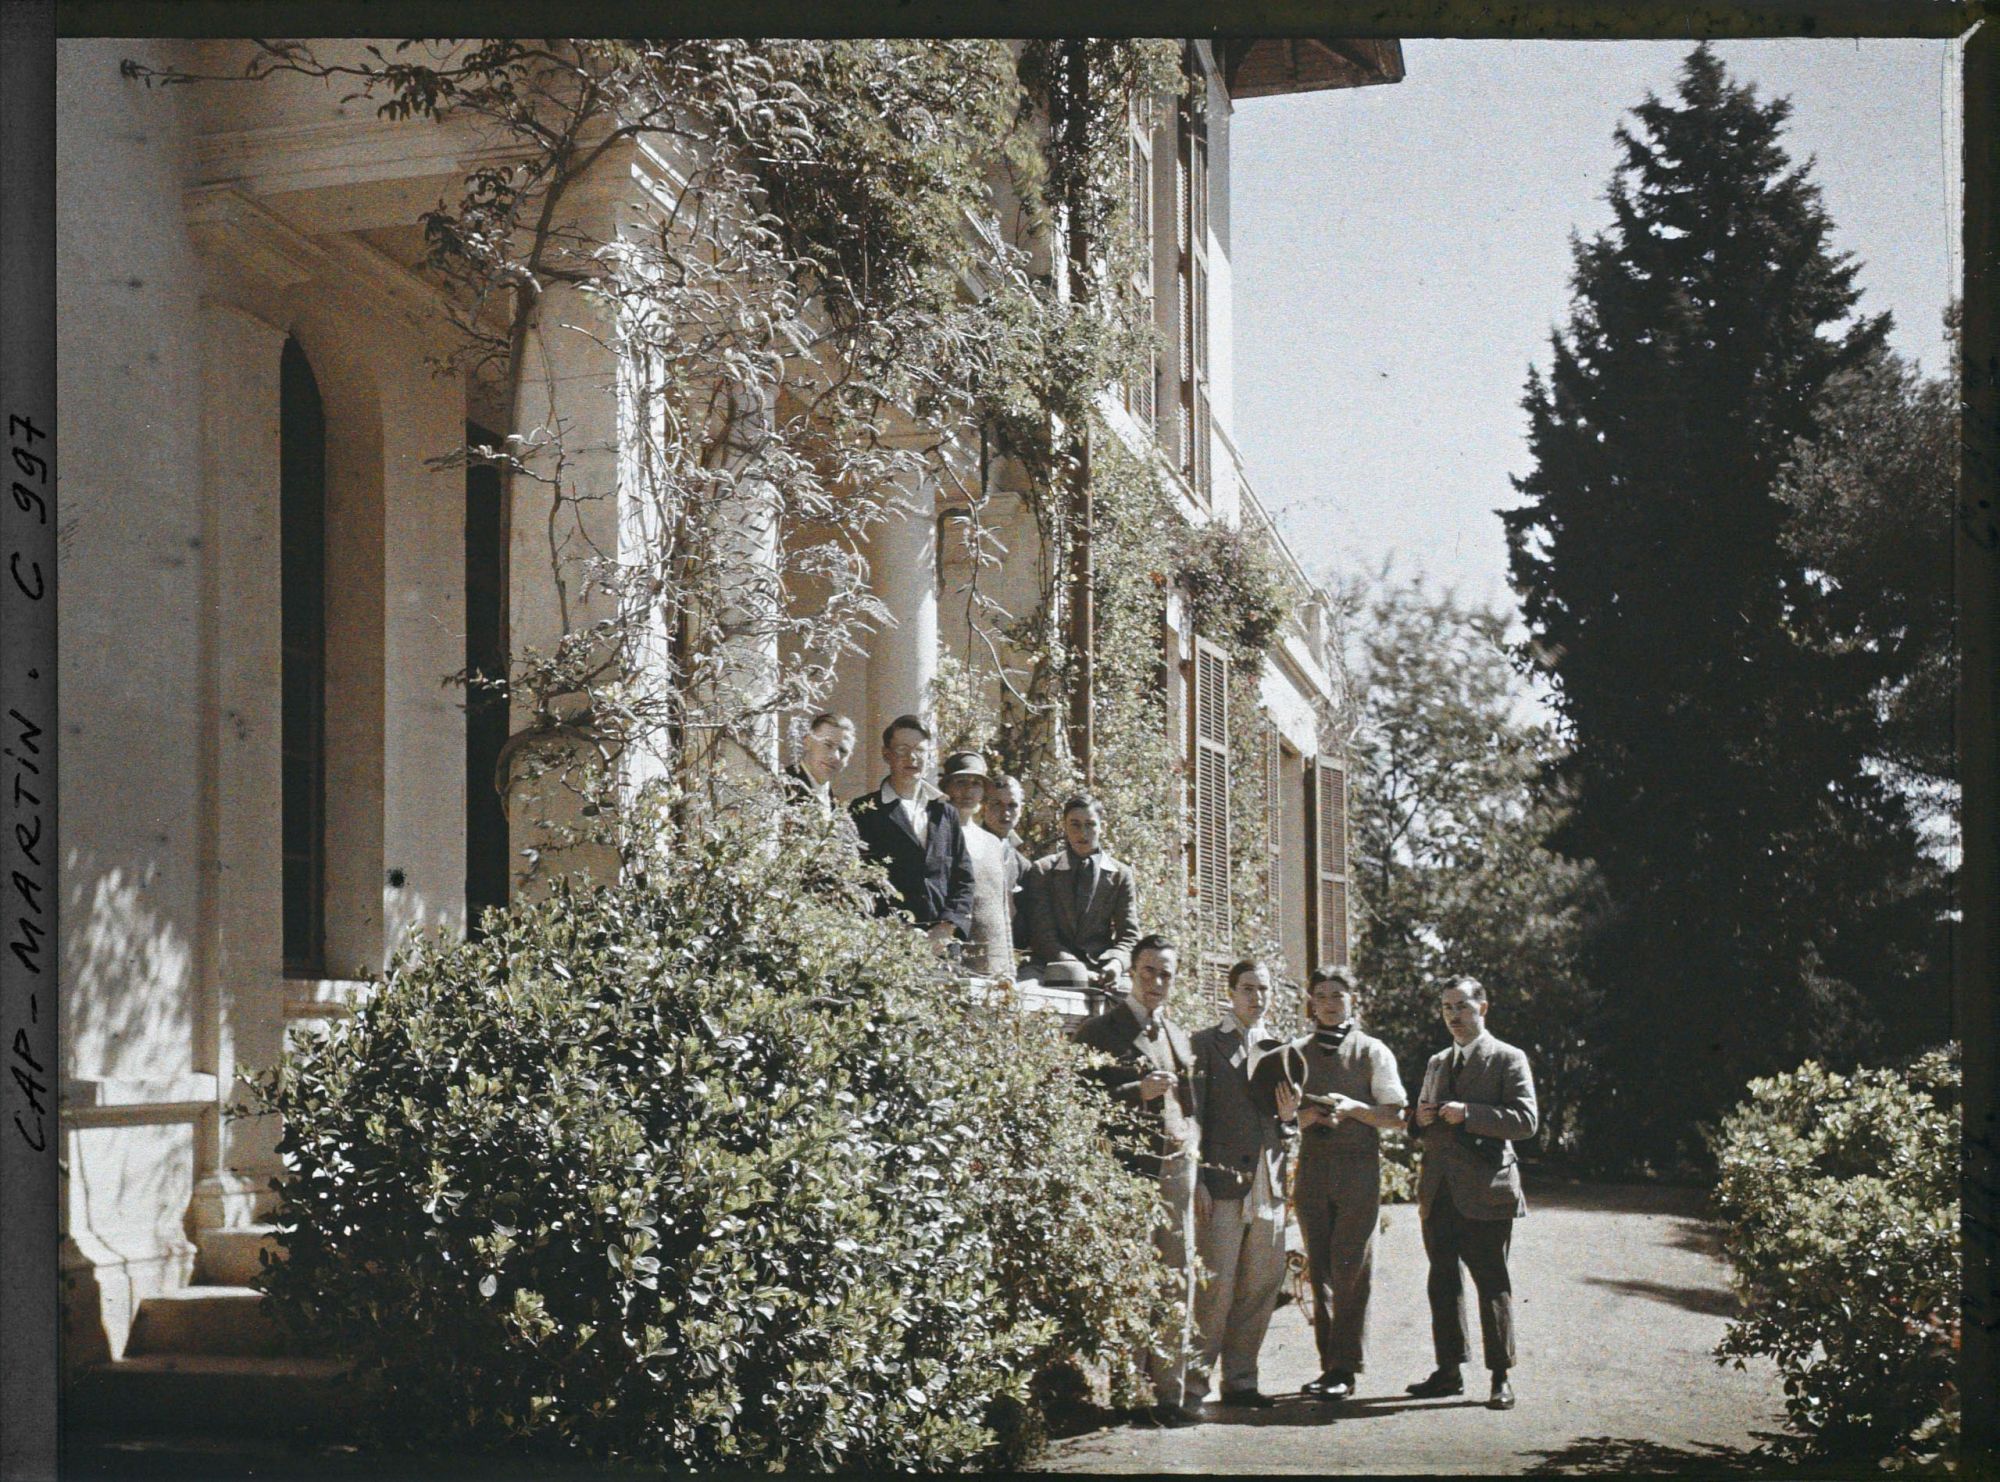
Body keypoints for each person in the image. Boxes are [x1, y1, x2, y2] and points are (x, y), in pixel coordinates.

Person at [1071, 936, 1204, 1427]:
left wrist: (1193, 1142)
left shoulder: (1176, 1032)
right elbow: (1076, 1102)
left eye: (1166, 974)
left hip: (1177, 1171)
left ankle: (1169, 1393)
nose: (1157, 983)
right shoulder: (1101, 1032)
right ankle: (1130, 1393)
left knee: (1177, 1278)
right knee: (1133, 1280)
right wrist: (1136, 1092)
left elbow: (1190, 1103)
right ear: (1131, 972)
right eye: (1148, 972)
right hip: (1127, 1175)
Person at [1406, 976, 1538, 1412]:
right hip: (1439, 1190)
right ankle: (1448, 1371)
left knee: (1491, 1283)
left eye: (1462, 1006)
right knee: (1442, 1283)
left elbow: (1525, 1121)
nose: (1454, 1016)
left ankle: (1501, 1377)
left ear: (1483, 1008)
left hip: (1487, 1190)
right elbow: (1419, 1124)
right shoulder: (1437, 1062)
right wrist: (1419, 1119)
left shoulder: (1507, 1058)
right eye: (1447, 1008)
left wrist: (1470, 1114)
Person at [1290, 965, 1408, 1400]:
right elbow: (1280, 1117)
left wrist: (1354, 1109)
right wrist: (1308, 1116)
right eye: (1321, 995)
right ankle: (1329, 1366)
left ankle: (1346, 1366)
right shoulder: (1296, 1053)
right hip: (1313, 1170)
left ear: (1352, 1000)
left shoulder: (1373, 1052)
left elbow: (1395, 1116)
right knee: (1318, 1269)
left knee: (1351, 1269)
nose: (1329, 1003)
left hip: (1357, 1171)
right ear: (1311, 1002)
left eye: (1338, 995)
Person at [1187, 959, 1299, 1409]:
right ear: (1231, 993)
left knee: (1260, 1287)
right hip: (1221, 1186)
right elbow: (1193, 1116)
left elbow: (1284, 1128)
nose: (1257, 997)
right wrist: (1196, 1180)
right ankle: (1192, 1387)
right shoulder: (1205, 1044)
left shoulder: (1281, 1050)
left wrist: (1290, 1120)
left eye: (1265, 989)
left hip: (1266, 1186)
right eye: (1249, 989)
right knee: (1214, 1289)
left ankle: (1241, 1381)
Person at [847, 715, 973, 946]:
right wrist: (892, 931)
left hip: (942, 946)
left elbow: (963, 879)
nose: (911, 757)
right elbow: (857, 881)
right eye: (902, 749)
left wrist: (947, 926)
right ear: (887, 754)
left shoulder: (945, 812)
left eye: (920, 750)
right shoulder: (864, 811)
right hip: (887, 944)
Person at [1019, 794, 1140, 999]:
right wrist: (1073, 968)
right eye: (1074, 824)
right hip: (1051, 965)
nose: (1082, 833)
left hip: (1102, 969)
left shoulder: (1120, 875)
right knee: (1024, 994)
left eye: (1090, 824)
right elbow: (1043, 934)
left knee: (1134, 1003)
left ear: (1102, 827)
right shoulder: (1044, 870)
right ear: (1064, 826)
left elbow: (1129, 935)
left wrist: (1116, 964)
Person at [938, 750, 1020, 979]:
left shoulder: (992, 842)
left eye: (976, 783)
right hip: (953, 962)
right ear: (947, 787)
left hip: (993, 963)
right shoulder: (937, 835)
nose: (968, 791)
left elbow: (1002, 909)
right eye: (960, 782)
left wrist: (1008, 968)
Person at [783, 712, 854, 815]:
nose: (835, 756)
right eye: (828, 745)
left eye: (843, 751)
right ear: (807, 742)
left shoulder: (833, 802)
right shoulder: (782, 788)